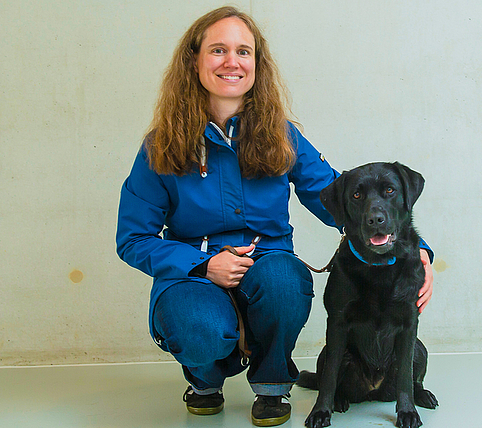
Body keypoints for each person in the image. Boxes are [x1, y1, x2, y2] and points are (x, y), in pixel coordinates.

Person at [115, 6, 434, 427]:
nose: (232, 61)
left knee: (285, 283)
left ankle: (270, 387)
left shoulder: (281, 136)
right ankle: (204, 380)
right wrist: (202, 264)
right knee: (194, 324)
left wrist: (417, 253)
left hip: (269, 267)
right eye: (218, 50)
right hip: (194, 271)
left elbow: (340, 198)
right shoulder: (161, 146)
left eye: (243, 51)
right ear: (194, 61)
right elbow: (132, 238)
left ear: (256, 65)